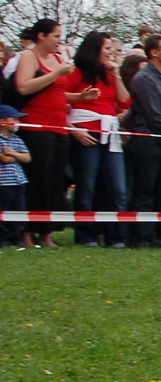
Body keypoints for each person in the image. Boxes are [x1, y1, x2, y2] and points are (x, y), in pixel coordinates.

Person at [11, 19, 91, 248]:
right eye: (56, 36)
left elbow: (57, 91)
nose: (59, 41)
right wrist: (56, 73)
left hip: (59, 127)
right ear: (41, 36)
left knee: (56, 182)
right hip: (37, 127)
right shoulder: (29, 56)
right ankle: (26, 232)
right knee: (38, 180)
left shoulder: (57, 59)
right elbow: (24, 87)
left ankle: (46, 232)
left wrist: (79, 98)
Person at [66, 32, 131, 248]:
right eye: (107, 49)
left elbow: (125, 103)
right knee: (86, 186)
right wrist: (74, 130)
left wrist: (118, 75)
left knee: (118, 188)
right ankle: (87, 236)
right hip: (86, 133)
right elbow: (61, 101)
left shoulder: (110, 74)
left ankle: (117, 236)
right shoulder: (76, 73)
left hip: (109, 134)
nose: (111, 53)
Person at [125, 33, 161, 247]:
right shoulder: (144, 79)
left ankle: (154, 233)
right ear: (154, 53)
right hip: (145, 140)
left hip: (159, 140)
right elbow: (153, 115)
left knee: (157, 191)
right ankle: (140, 236)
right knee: (143, 190)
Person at [0, 105, 30, 249]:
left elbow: (27, 157)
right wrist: (16, 156)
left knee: (19, 210)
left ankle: (16, 238)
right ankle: (3, 239)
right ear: (2, 121)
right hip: (3, 183)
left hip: (19, 181)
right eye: (14, 119)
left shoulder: (17, 140)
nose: (17, 123)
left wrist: (12, 154)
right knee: (3, 212)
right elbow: (3, 159)